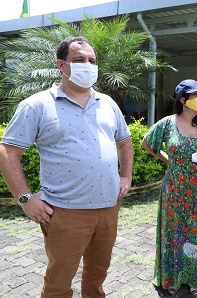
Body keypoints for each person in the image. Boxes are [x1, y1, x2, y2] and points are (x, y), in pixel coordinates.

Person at [0, 36, 134, 297]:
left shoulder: (107, 103)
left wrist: (126, 176)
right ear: (61, 65)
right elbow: (7, 152)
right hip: (65, 212)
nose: (88, 65)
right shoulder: (37, 105)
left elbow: (125, 143)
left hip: (108, 208)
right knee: (59, 281)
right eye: (79, 60)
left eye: (92, 61)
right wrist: (26, 199)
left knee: (97, 274)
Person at [142, 79, 197, 295]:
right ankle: (171, 279)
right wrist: (168, 159)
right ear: (182, 99)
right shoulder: (167, 124)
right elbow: (147, 143)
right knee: (174, 233)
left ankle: (196, 278)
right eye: (195, 95)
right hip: (175, 189)